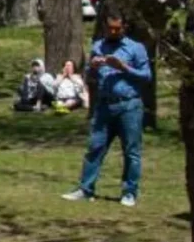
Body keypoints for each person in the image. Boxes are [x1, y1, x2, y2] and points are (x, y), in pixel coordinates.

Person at [63, 13, 151, 206]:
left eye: (117, 29)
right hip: (104, 106)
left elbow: (146, 76)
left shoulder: (136, 48)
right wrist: (92, 68)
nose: (113, 32)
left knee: (131, 151)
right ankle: (86, 189)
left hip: (129, 105)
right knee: (95, 148)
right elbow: (90, 77)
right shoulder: (98, 46)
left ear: (124, 27)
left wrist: (124, 67)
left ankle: (129, 192)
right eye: (110, 28)